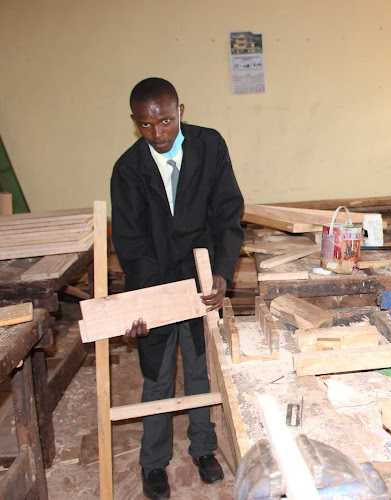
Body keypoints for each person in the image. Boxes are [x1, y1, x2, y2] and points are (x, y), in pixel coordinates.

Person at [111, 77, 244, 499]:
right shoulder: (128, 169)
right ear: (136, 123)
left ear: (180, 111)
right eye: (146, 126)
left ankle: (203, 448)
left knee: (200, 369)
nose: (158, 134)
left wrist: (222, 271)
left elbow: (227, 213)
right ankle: (154, 462)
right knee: (157, 376)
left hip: (202, 277)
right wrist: (144, 305)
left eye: (166, 121)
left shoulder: (210, 147)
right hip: (153, 283)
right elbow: (131, 244)